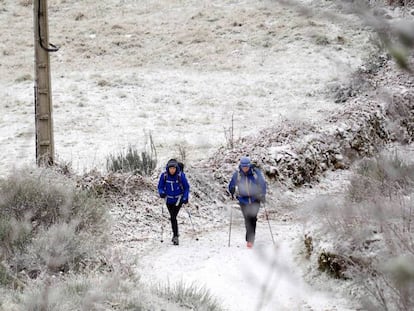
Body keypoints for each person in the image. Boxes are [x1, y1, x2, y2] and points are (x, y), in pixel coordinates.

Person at [228, 156, 267, 248]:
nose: (245, 168)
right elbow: (231, 185)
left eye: (246, 166)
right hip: (243, 200)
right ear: (240, 166)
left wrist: (262, 195)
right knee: (247, 219)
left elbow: (262, 184)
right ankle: (249, 238)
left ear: (249, 165)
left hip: (255, 199)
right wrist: (232, 189)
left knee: (253, 218)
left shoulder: (256, 173)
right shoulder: (237, 174)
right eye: (243, 166)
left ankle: (250, 240)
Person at [157, 159, 190, 245]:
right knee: (173, 217)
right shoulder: (164, 176)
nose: (172, 170)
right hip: (168, 200)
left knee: (173, 217)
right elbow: (160, 186)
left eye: (174, 168)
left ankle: (175, 236)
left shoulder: (180, 175)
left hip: (178, 199)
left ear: (176, 168)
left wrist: (185, 197)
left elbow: (186, 187)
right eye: (170, 168)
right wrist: (161, 193)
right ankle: (176, 233)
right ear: (168, 168)